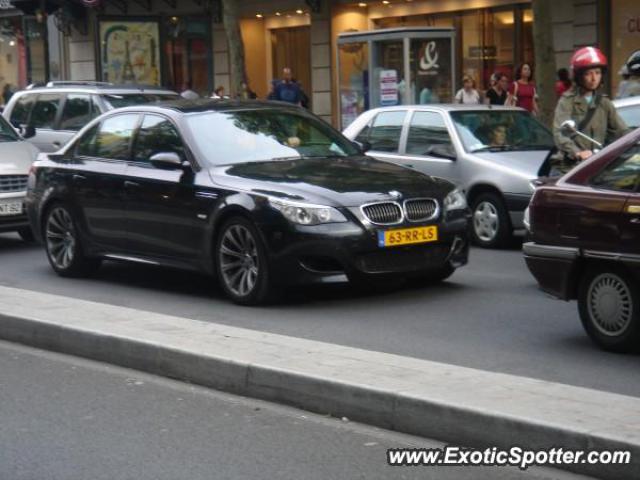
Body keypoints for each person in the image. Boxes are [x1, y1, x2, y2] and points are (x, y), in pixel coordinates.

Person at [551, 47, 629, 175]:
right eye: (588, 73)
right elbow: (560, 132)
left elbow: (621, 130)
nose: (594, 78)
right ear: (579, 76)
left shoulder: (604, 103)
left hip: (596, 165)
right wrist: (577, 152)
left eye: (597, 73)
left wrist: (634, 141)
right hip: (569, 167)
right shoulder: (567, 101)